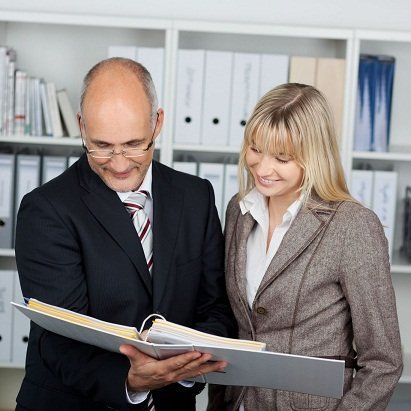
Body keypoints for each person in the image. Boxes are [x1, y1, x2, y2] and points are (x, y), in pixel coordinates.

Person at [14, 57, 235, 411]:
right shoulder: (46, 209)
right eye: (101, 146)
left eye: (134, 144)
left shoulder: (196, 197)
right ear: (82, 127)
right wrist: (130, 381)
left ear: (157, 123)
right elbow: (59, 339)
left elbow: (216, 308)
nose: (118, 163)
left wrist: (186, 365)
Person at [208, 83, 403, 411]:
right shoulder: (238, 210)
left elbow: (384, 362)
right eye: (255, 149)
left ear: (314, 157)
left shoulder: (352, 225)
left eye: (282, 158)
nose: (263, 168)